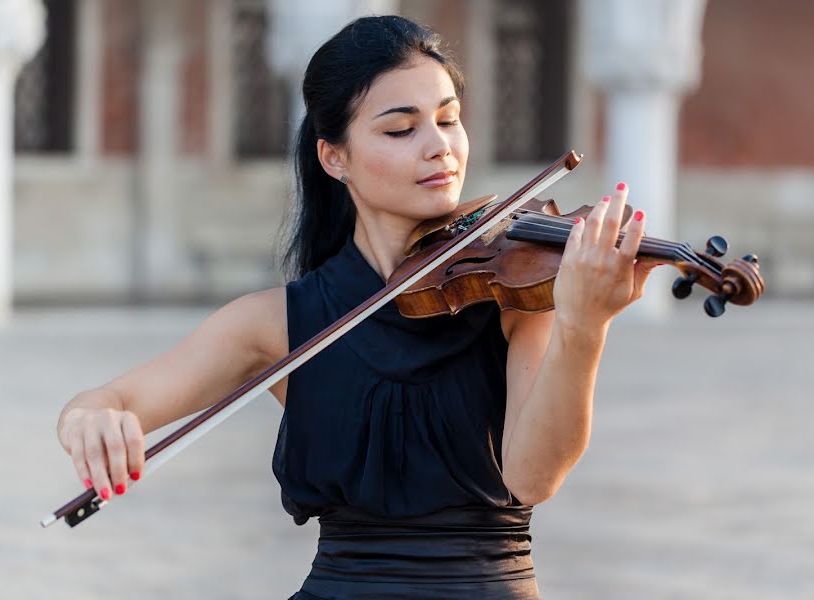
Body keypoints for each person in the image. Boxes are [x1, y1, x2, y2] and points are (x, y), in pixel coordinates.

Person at [56, 15, 659, 599]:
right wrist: (91, 421)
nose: (439, 148)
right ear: (334, 157)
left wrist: (584, 326)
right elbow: (103, 403)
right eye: (402, 130)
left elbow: (534, 477)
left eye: (448, 120)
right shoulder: (276, 323)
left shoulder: (515, 296)